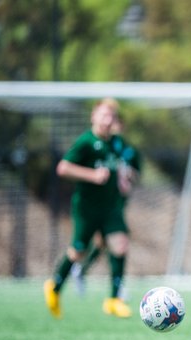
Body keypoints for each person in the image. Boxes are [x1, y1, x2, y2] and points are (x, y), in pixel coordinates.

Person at [43, 98, 140, 319]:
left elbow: (124, 167)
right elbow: (63, 168)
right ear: (93, 117)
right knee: (78, 251)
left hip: (111, 207)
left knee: (120, 244)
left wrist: (125, 178)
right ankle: (54, 287)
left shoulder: (117, 143)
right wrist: (92, 175)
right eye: (104, 115)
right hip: (87, 208)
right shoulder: (86, 142)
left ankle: (114, 299)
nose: (108, 120)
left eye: (111, 117)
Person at [70, 116, 139, 298]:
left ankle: (89, 273)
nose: (112, 129)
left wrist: (127, 178)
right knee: (108, 242)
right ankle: (109, 283)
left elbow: (134, 173)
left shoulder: (127, 149)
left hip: (116, 204)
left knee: (109, 242)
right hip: (97, 205)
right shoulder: (95, 145)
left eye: (116, 125)